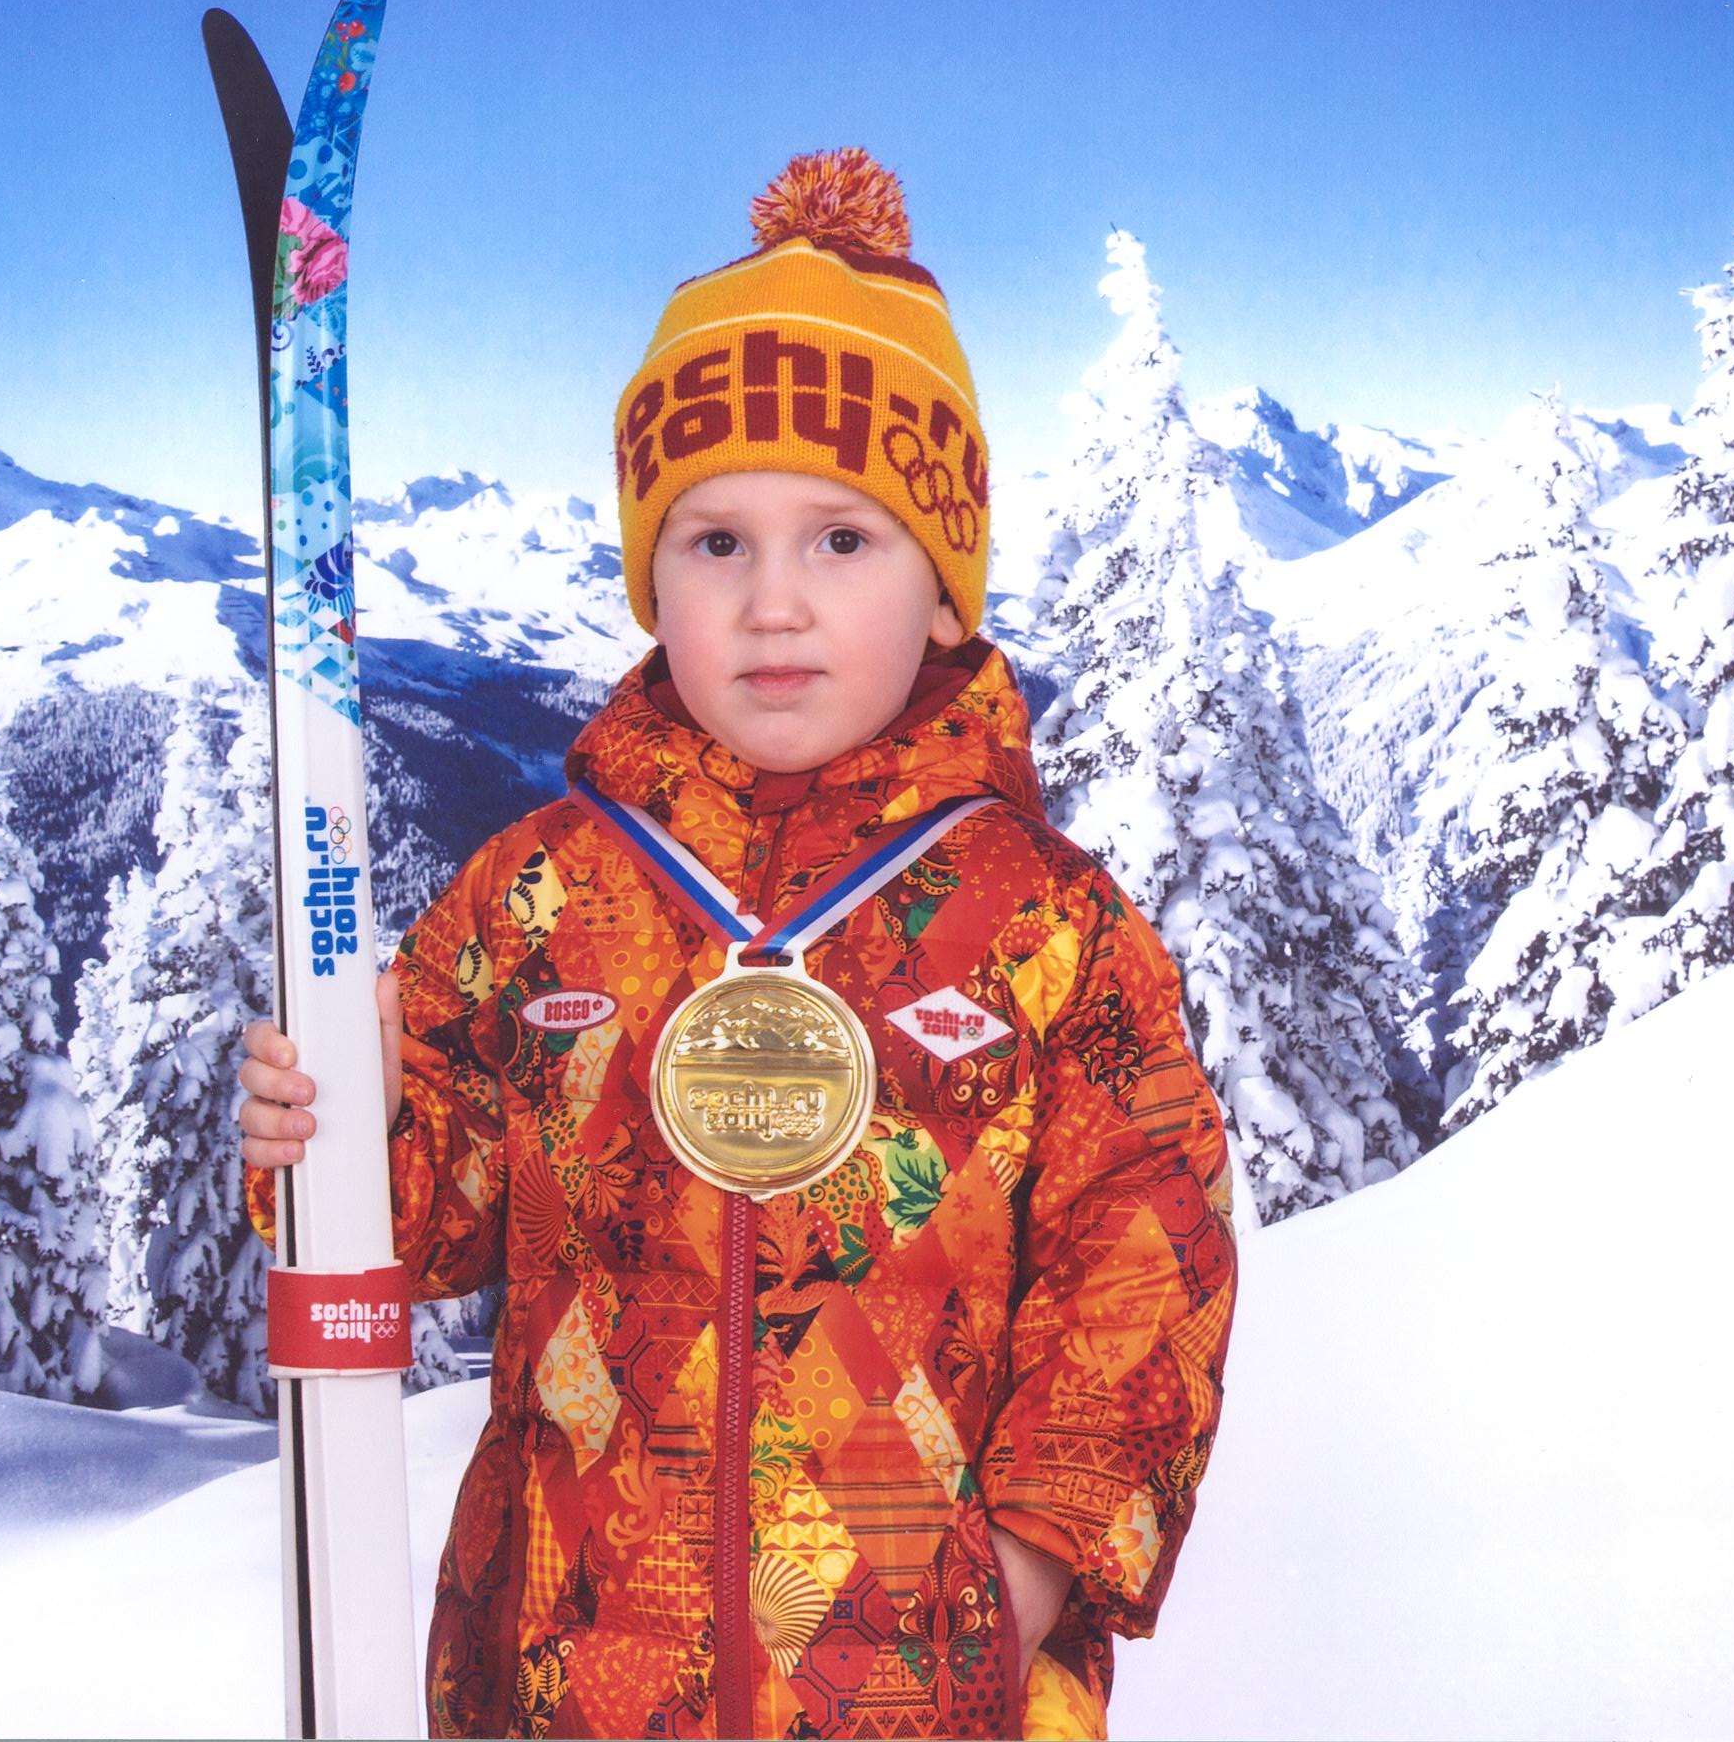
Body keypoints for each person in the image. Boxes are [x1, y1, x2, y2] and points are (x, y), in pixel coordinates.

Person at [239, 147, 1236, 1741]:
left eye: (842, 541)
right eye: (716, 543)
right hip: (569, 1671)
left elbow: (1147, 1254)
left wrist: (1029, 1570)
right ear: (653, 580)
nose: (775, 603)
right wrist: (341, 1125)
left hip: (915, 1681)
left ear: (945, 589)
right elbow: (424, 1227)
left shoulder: (1046, 925)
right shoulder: (543, 893)